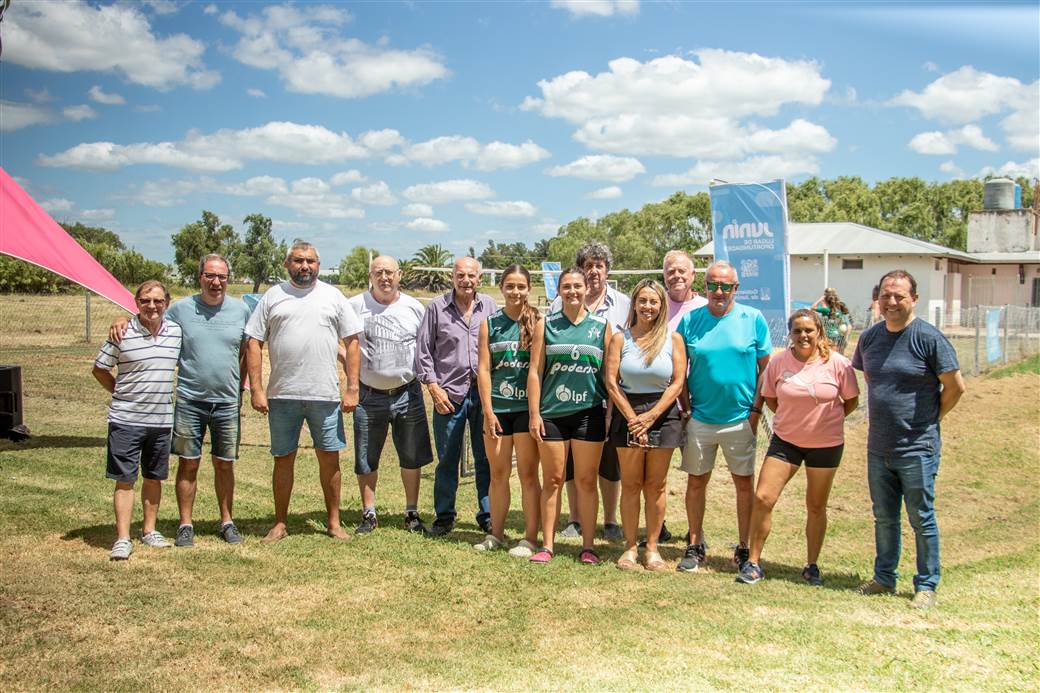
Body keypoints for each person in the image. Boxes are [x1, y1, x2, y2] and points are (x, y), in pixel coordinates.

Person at [109, 254, 251, 548]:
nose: (216, 282)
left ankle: (227, 521)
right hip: (189, 399)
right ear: (200, 278)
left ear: (228, 279)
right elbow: (149, 319)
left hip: (226, 402)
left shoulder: (241, 310)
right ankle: (185, 523)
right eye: (210, 276)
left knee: (225, 464)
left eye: (222, 277)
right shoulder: (182, 309)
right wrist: (121, 318)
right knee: (189, 463)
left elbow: (248, 351)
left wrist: (241, 388)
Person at [852, 269, 965, 610]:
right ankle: (884, 577)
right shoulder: (870, 338)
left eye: (899, 296)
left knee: (921, 517)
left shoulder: (928, 338)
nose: (892, 301)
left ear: (914, 299)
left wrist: (930, 420)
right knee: (884, 517)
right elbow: (872, 378)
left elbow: (956, 386)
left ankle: (926, 584)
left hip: (918, 447)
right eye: (886, 295)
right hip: (879, 447)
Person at [245, 241, 362, 543]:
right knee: (283, 458)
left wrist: (352, 387)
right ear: (287, 264)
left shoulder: (333, 296)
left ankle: (334, 523)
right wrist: (256, 389)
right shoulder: (273, 296)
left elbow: (351, 342)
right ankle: (280, 522)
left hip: (324, 395)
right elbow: (254, 342)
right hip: (282, 394)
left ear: (319, 265)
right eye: (298, 261)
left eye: (310, 261)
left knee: (330, 460)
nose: (305, 266)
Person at [736, 309, 859, 586]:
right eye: (797, 331)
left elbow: (850, 401)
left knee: (816, 505)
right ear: (790, 334)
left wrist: (825, 422)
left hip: (825, 445)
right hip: (786, 441)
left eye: (809, 331)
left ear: (819, 332)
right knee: (763, 498)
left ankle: (812, 565)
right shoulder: (779, 363)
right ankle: (753, 563)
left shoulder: (838, 364)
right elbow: (770, 399)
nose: (803, 336)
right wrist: (795, 420)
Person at [675, 261, 771, 573]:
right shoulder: (690, 321)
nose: (719, 291)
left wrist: (756, 411)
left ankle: (743, 547)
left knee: (744, 485)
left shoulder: (753, 319)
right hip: (701, 418)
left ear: (735, 288)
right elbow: (678, 372)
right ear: (704, 287)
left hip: (740, 419)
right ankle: (694, 543)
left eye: (725, 286)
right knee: (696, 482)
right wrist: (687, 410)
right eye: (713, 285)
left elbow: (766, 371)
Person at [93, 280, 183, 560]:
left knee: (154, 478)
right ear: (136, 303)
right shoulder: (122, 332)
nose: (152, 306)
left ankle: (149, 530)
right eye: (145, 301)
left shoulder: (176, 333)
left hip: (160, 420)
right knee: (124, 479)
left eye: (157, 301)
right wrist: (119, 391)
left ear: (166, 303)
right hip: (126, 419)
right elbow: (100, 369)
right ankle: (122, 538)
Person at [528, 268, 612, 564]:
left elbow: (608, 375)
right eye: (567, 286)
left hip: (590, 413)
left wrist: (610, 414)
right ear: (559, 290)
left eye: (577, 286)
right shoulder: (546, 324)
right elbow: (536, 373)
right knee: (552, 480)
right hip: (552, 414)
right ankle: (547, 545)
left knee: (587, 481)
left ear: (586, 288)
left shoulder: (602, 326)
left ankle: (588, 546)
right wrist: (534, 413)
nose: (573, 291)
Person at [604, 279, 687, 571]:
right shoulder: (620, 338)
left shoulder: (673, 339)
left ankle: (652, 548)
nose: (648, 307)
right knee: (631, 484)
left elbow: (677, 382)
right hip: (628, 413)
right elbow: (611, 382)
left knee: (656, 485)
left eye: (654, 302)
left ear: (661, 305)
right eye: (643, 301)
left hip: (663, 416)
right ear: (634, 304)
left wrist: (652, 417)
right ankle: (629, 547)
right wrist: (632, 418)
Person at [349, 255, 434, 535]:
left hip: (407, 393)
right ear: (370, 276)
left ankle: (411, 513)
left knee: (411, 455)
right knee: (366, 456)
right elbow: (340, 342)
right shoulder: (355, 306)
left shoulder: (414, 307)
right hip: (368, 395)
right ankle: (369, 513)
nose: (384, 278)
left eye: (389, 272)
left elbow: (426, 346)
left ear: (399, 275)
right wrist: (351, 366)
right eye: (378, 272)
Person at [550, 242, 630, 541]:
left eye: (599, 265)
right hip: (568, 396)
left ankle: (610, 520)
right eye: (588, 265)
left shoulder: (624, 303)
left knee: (609, 461)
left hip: (608, 396)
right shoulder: (561, 302)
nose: (594, 271)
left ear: (607, 270)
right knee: (572, 463)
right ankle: (575, 518)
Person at [414, 257, 497, 537]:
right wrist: (434, 388)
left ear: (479, 279)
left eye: (471, 276)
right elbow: (423, 352)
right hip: (449, 394)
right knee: (448, 458)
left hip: (483, 394)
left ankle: (488, 515)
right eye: (460, 275)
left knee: (485, 458)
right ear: (452, 277)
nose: (466, 280)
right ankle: (445, 516)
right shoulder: (437, 308)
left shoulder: (490, 307)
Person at [474, 265, 541, 556]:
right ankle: (496, 534)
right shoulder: (489, 323)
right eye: (510, 286)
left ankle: (529, 538)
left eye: (521, 286)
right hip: (498, 410)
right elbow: (484, 369)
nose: (515, 292)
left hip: (527, 410)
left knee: (528, 475)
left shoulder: (539, 321)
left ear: (529, 288)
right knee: (498, 474)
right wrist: (488, 411)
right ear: (501, 288)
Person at [664, 249, 707, 330]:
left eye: (681, 271)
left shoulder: (706, 307)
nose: (676, 275)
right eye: (671, 272)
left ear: (693, 275)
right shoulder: (656, 306)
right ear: (664, 276)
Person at [812, 288, 852, 354]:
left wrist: (820, 299)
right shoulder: (838, 311)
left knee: (827, 354)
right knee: (836, 354)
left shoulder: (825, 310)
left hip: (827, 336)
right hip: (837, 336)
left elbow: (812, 307)